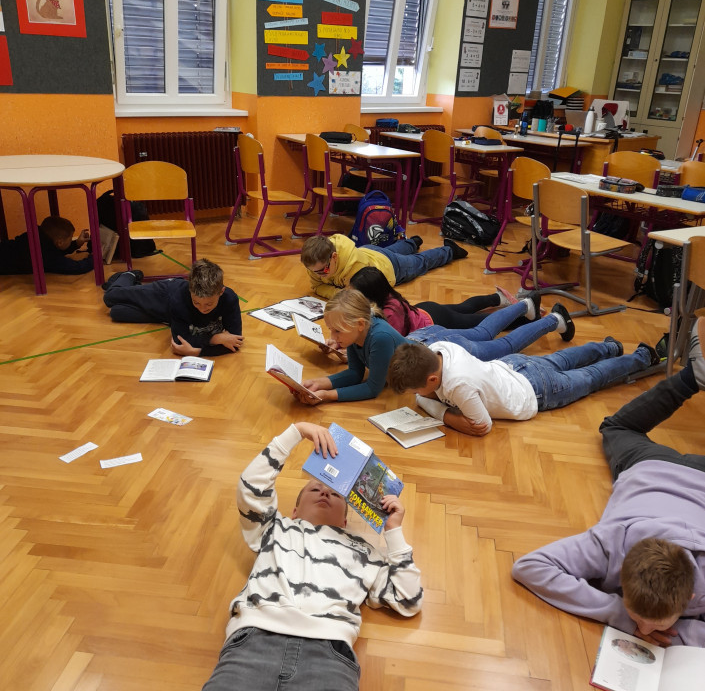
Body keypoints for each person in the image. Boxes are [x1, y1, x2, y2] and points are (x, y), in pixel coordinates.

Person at [511, 319, 705, 647]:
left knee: (618, 428)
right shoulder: (611, 543)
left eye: (649, 625)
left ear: (690, 597)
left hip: (653, 468)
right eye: (637, 618)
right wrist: (619, 615)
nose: (644, 633)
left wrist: (678, 635)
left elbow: (531, 567)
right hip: (652, 468)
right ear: (621, 579)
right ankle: (694, 376)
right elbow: (528, 567)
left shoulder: (612, 543)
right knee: (616, 428)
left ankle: (692, 377)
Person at [200, 420, 422, 690]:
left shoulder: (366, 552)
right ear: (294, 511)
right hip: (253, 641)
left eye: (335, 494)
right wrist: (295, 432)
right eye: (315, 489)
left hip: (328, 655)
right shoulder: (274, 528)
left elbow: (408, 599)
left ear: (345, 521)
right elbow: (250, 488)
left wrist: (394, 531)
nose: (325, 491)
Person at [298, 289, 569, 405]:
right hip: (426, 342)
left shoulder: (378, 338)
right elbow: (355, 373)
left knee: (502, 344)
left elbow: (372, 388)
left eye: (336, 330)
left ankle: (554, 320)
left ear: (359, 324)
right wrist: (320, 383)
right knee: (483, 332)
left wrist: (327, 396)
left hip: (441, 353)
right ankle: (525, 305)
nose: (332, 336)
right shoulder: (357, 334)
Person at [387, 336, 659, 437]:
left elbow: (481, 426)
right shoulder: (438, 349)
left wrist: (444, 415)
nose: (416, 397)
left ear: (432, 380)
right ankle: (609, 347)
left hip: (536, 392)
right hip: (515, 366)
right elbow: (426, 395)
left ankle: (643, 357)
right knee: (564, 358)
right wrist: (426, 398)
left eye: (415, 391)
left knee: (590, 377)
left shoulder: (458, 385)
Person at [349, 266, 568, 339]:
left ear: (371, 295)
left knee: (486, 322)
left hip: (435, 321)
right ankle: (500, 298)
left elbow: (390, 342)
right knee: (465, 308)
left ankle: (530, 317)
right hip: (426, 310)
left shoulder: (390, 314)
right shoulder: (386, 298)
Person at [102, 258, 243, 356]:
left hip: (168, 315)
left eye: (209, 304)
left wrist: (196, 352)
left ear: (221, 292)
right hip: (163, 296)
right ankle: (129, 275)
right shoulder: (179, 298)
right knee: (110, 297)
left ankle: (135, 290)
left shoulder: (230, 299)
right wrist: (215, 339)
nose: (202, 309)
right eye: (196, 303)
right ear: (189, 290)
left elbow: (234, 343)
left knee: (116, 312)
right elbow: (180, 340)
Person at [300, 233, 467, 300]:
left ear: (334, 257)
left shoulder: (356, 267)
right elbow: (317, 286)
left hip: (389, 267)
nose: (319, 275)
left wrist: (338, 293)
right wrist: (338, 292)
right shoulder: (316, 262)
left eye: (323, 270)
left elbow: (357, 296)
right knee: (393, 250)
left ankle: (450, 250)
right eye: (314, 272)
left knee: (420, 262)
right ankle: (412, 242)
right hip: (370, 252)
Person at [0, 215, 93, 275]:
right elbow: (77, 268)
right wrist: (95, 257)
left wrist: (76, 243)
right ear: (60, 242)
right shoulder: (47, 255)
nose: (71, 239)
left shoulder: (37, 237)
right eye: (71, 238)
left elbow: (58, 249)